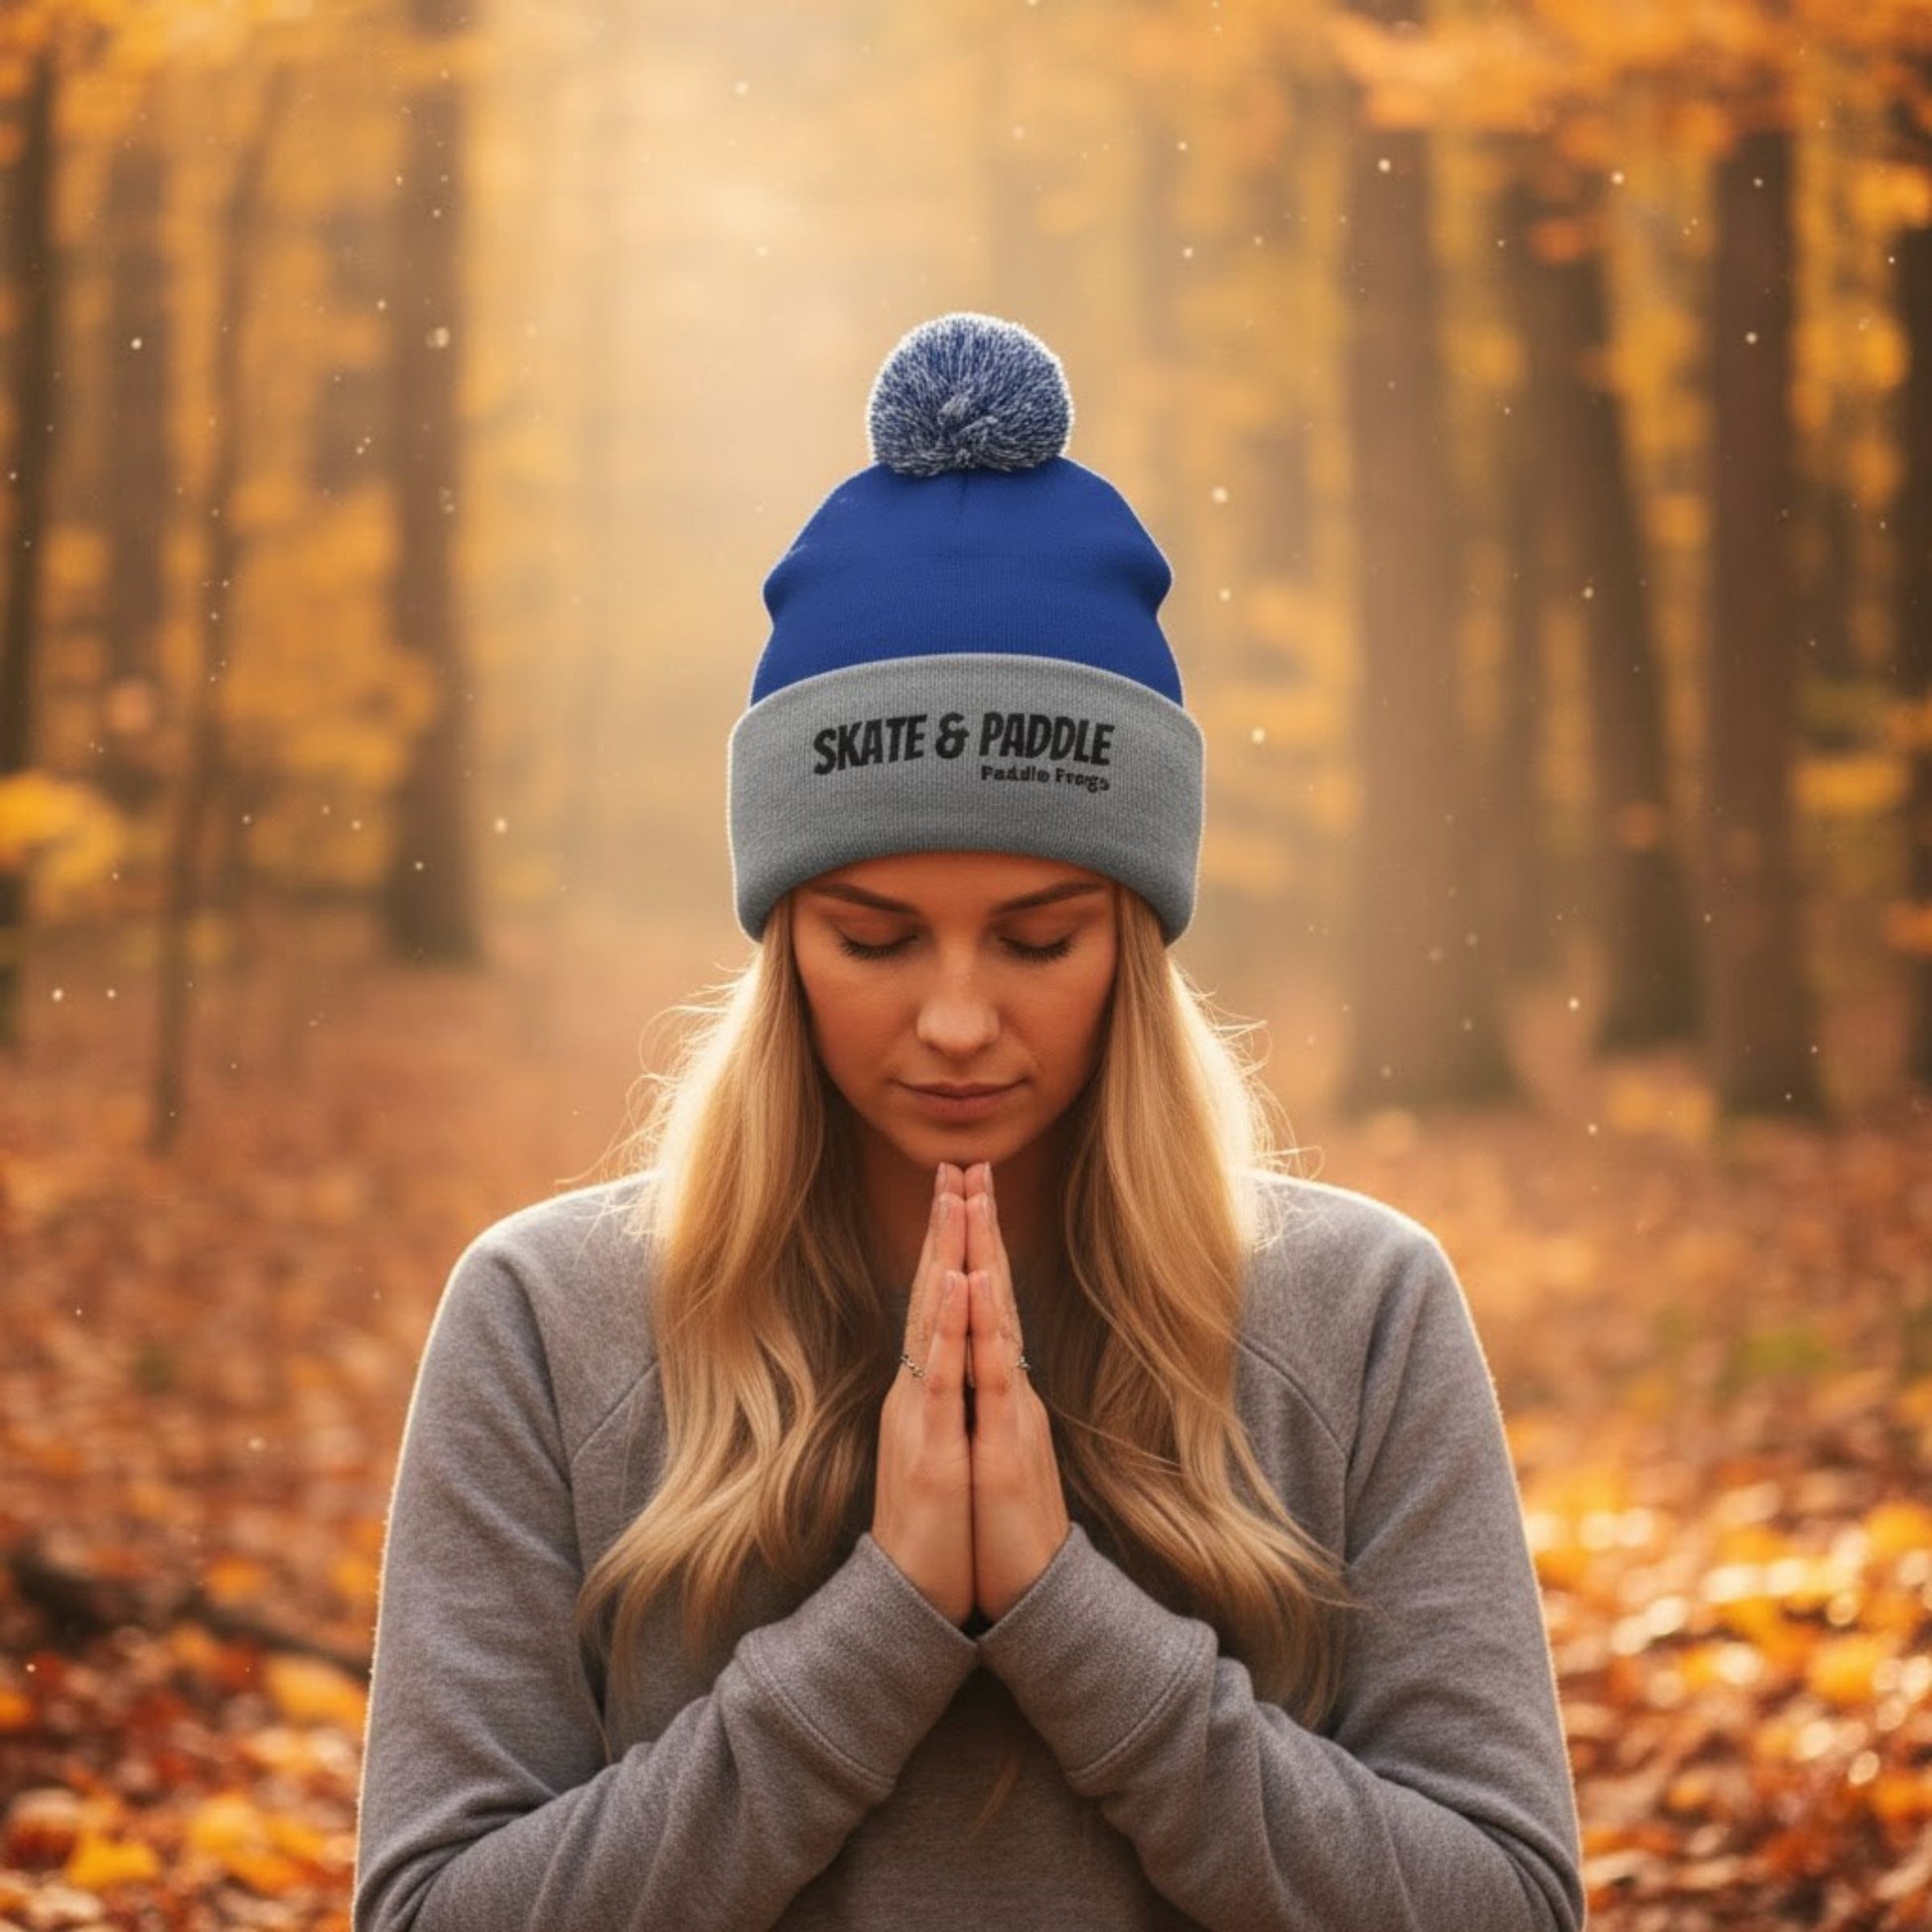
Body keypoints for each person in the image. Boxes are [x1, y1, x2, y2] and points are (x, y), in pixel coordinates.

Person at [350, 313, 1587, 1931]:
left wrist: (1068, 1613)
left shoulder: (1354, 1315)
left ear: (1136, 939)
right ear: (779, 931)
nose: (949, 1015)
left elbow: (1506, 1902)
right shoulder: (546, 1319)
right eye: (870, 934)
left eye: (1036, 935)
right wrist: (891, 1617)